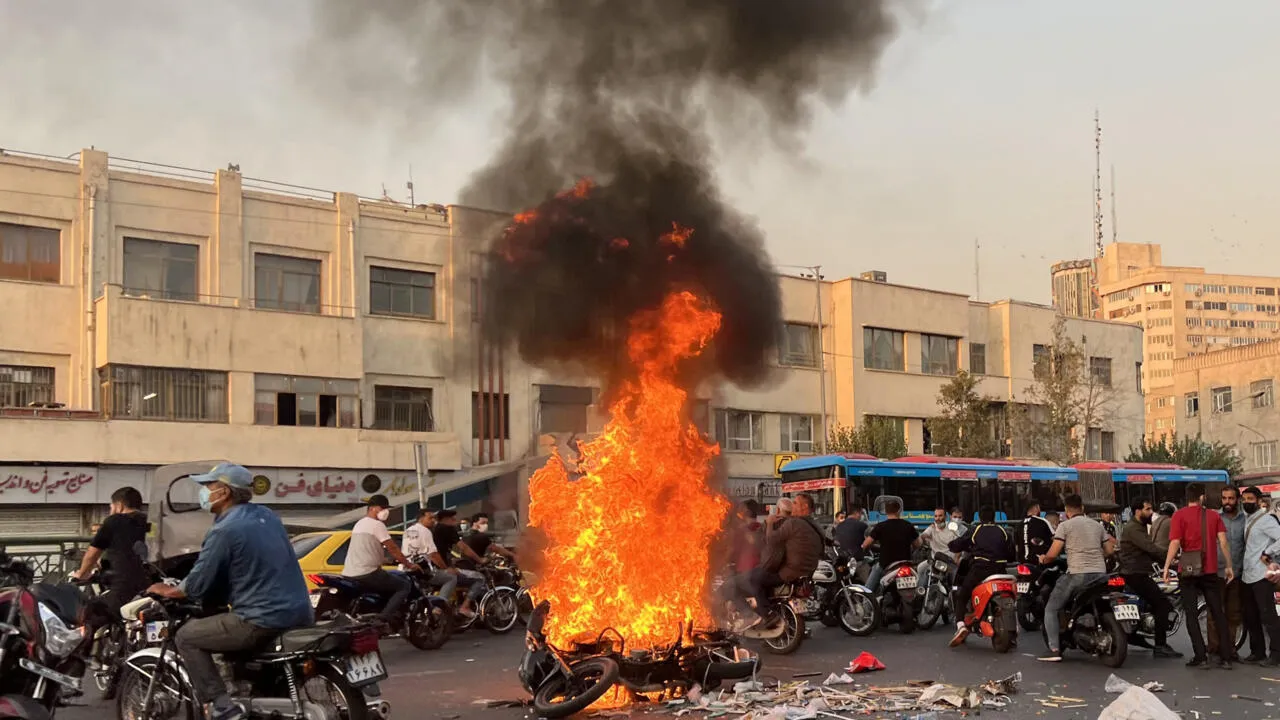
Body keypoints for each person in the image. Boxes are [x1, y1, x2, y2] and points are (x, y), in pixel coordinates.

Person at [144, 463, 313, 720]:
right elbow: (248, 565)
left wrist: (169, 591)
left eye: (207, 487)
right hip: (300, 612)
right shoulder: (267, 516)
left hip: (262, 617)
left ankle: (221, 705)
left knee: (187, 636)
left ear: (223, 493)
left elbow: (197, 584)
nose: (203, 493)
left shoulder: (225, 529)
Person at [1163, 482, 1236, 669]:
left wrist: (1166, 566)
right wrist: (1229, 566)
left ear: (1187, 497)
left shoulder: (1179, 515)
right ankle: (1226, 656)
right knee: (1218, 612)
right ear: (1202, 497)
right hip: (1210, 571)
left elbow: (1175, 542)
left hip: (1188, 571)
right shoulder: (1213, 516)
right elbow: (1223, 542)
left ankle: (1200, 656)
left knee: (1191, 614)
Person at [1036, 494, 1114, 662]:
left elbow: (1053, 553)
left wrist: (1043, 558)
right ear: (1083, 508)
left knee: (1051, 608)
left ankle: (1054, 649)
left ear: (1066, 510)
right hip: (1100, 574)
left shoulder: (1065, 526)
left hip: (1078, 574)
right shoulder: (1097, 525)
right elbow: (1109, 551)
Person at [738, 493, 823, 631]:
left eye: (795, 503)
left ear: (805, 506)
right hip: (807, 572)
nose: (792, 505)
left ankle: (767, 615)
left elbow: (771, 540)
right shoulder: (815, 525)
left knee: (754, 578)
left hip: (789, 572)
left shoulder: (794, 523)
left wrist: (770, 523)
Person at [71, 486, 151, 622]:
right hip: (149, 585)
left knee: (87, 616)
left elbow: (93, 553)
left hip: (122, 587)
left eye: (111, 507)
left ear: (119, 505)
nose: (111, 511)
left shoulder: (114, 521)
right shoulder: (150, 522)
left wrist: (81, 574)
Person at [342, 495, 421, 625]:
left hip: (349, 573)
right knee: (404, 585)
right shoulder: (377, 525)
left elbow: (367, 548)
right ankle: (383, 619)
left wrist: (384, 560)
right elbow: (393, 548)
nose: (386, 511)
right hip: (368, 573)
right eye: (383, 508)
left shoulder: (359, 524)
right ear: (372, 509)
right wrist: (409, 564)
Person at [1118, 499, 1181, 658]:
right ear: (1137, 511)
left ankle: (1142, 631)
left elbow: (1147, 552)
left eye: (1151, 509)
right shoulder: (1134, 529)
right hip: (1135, 574)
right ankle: (1160, 645)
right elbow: (1151, 548)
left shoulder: (1139, 526)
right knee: (1162, 605)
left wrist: (1167, 562)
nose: (1151, 512)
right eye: (1147, 509)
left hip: (1137, 572)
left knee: (1151, 603)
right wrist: (1171, 557)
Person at [947, 506, 1014, 647]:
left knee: (962, 594)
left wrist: (952, 545)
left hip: (981, 569)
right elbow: (1011, 553)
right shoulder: (1003, 531)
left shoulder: (975, 530)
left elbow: (958, 544)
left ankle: (961, 626)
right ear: (994, 518)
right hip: (1001, 569)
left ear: (980, 518)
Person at [1208, 485, 1250, 661]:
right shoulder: (1214, 518)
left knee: (1234, 614)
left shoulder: (1245, 520)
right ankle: (1214, 648)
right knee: (1214, 612)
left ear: (1237, 500)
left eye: (1231, 498)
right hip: (1216, 572)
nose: (1227, 502)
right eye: (1224, 498)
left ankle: (1230, 648)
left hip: (1238, 574)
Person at [1239, 486, 1280, 666]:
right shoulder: (1247, 519)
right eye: (1245, 499)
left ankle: (1276, 655)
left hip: (1262, 575)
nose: (1247, 502)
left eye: (1250, 499)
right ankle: (1257, 652)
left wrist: (1268, 552)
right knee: (1250, 616)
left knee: (1268, 617)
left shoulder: (1266, 520)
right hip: (1247, 575)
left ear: (1258, 500)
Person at [431, 510, 489, 618]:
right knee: (479, 578)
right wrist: (480, 560)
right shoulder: (447, 529)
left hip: (430, 568)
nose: (455, 521)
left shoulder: (432, 529)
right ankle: (465, 607)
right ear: (446, 519)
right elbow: (463, 547)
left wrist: (452, 560)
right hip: (441, 569)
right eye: (453, 519)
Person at [401, 509, 460, 602]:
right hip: (421, 570)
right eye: (430, 518)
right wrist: (446, 568)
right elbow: (433, 554)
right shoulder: (425, 531)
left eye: (434, 518)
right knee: (451, 578)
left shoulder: (408, 530)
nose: (433, 520)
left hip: (406, 569)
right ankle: (439, 605)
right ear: (421, 519)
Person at [862, 499, 921, 590]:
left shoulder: (880, 527)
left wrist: (864, 548)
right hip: (906, 564)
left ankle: (866, 602)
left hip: (885, 564)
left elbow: (866, 544)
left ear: (885, 512)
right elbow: (918, 544)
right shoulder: (908, 525)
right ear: (899, 510)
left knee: (868, 590)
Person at [730, 501, 765, 574]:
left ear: (746, 512)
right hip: (756, 570)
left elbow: (733, 550)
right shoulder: (762, 528)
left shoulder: (743, 530)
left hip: (746, 571)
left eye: (741, 510)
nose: (739, 512)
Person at [1016, 498, 1054, 565]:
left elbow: (1016, 546)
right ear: (1037, 507)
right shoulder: (1043, 521)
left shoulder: (1019, 525)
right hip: (1039, 562)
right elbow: (1055, 539)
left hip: (1022, 562)